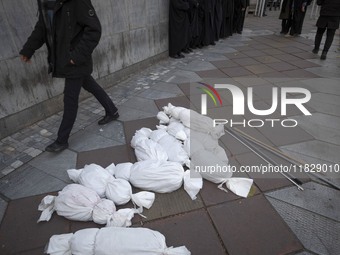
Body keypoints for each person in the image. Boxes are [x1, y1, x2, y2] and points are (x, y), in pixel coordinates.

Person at [20, 0, 119, 152]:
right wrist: (28, 49)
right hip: (63, 60)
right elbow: (42, 28)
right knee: (90, 84)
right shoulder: (46, 3)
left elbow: (94, 29)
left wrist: (76, 56)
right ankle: (112, 111)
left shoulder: (77, 2)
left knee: (70, 99)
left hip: (76, 61)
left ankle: (62, 140)